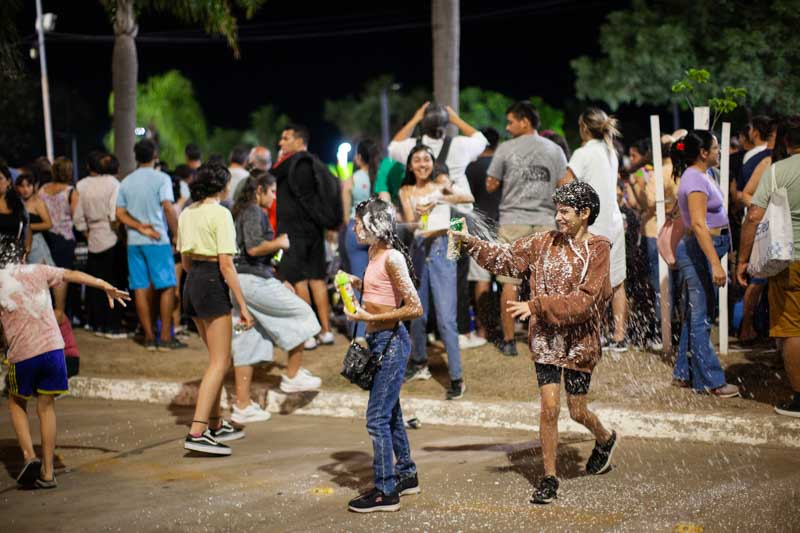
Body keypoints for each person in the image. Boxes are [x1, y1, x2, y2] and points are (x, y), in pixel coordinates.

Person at [451, 180, 618, 504]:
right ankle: (549, 477)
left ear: (585, 214)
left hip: (580, 341)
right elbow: (506, 258)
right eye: (557, 210)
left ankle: (605, 437)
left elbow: (586, 302)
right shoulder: (544, 242)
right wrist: (469, 242)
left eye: (565, 211)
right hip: (545, 340)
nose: (558, 217)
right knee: (550, 409)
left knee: (577, 410)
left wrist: (536, 306)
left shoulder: (599, 249)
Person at [1, 240, 129, 489]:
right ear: (24, 255)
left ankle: (29, 457)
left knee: (16, 402)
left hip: (24, 353)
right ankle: (48, 472)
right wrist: (105, 285)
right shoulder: (39, 270)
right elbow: (73, 275)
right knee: (46, 408)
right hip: (54, 350)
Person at [343, 197, 423, 513]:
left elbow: (415, 307)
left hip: (391, 343)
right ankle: (407, 474)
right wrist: (357, 284)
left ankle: (385, 490)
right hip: (381, 342)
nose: (354, 228)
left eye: (359, 222)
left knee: (376, 418)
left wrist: (369, 319)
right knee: (391, 414)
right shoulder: (374, 253)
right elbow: (381, 293)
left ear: (375, 224)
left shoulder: (392, 258)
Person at [230, 173, 322, 424]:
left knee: (246, 341)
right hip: (252, 281)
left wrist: (278, 277)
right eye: (272, 192)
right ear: (259, 190)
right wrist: (279, 242)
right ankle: (292, 376)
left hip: (242, 281)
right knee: (303, 313)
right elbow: (253, 248)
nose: (274, 198)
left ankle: (243, 405)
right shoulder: (252, 211)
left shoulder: (242, 211)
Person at [178, 162, 254, 455]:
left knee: (216, 358)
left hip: (192, 281)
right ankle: (197, 431)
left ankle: (215, 423)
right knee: (220, 361)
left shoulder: (187, 212)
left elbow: (184, 259)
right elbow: (226, 264)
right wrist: (243, 306)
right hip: (211, 281)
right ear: (222, 186)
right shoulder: (221, 213)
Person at [486, 101, 568, 356]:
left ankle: (509, 341)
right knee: (547, 282)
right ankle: (549, 337)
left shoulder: (505, 149)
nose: (508, 127)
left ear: (525, 121)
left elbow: (491, 184)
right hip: (545, 221)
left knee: (509, 281)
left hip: (513, 221)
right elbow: (565, 185)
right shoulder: (554, 149)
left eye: (511, 122)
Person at [399, 145, 474, 399]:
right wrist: (421, 218)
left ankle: (456, 378)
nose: (422, 164)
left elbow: (468, 199)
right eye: (417, 160)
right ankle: (419, 362)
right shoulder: (405, 190)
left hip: (443, 249)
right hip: (419, 250)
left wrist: (441, 198)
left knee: (446, 319)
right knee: (417, 313)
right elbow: (412, 227)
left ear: (432, 164)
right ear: (410, 165)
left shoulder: (441, 183)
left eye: (427, 159)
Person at [738, 115, 800, 416]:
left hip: (790, 261)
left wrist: (743, 259)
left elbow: (753, 216)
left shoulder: (777, 172)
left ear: (786, 141)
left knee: (792, 329)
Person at [670, 131, 740, 397]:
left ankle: (684, 373)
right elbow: (698, 224)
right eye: (716, 147)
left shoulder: (700, 175)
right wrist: (716, 264)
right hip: (700, 251)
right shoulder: (695, 179)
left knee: (697, 314)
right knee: (702, 316)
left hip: (704, 249)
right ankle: (711, 381)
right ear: (703, 153)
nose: (719, 151)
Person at [559, 108, 628, 351]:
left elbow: (565, 184)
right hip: (615, 222)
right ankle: (619, 337)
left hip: (594, 226)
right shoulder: (611, 152)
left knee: (586, 282)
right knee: (617, 281)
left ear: (585, 128)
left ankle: (590, 334)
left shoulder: (583, 152)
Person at [272, 124, 335, 349]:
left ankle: (308, 333)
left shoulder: (289, 164)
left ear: (299, 141)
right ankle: (326, 331)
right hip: (316, 230)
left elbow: (268, 180)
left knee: (298, 280)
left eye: (285, 138)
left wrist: (279, 160)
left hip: (293, 232)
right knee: (317, 279)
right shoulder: (316, 163)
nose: (281, 143)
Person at [116, 139, 180, 351]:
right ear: (155, 155)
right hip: (157, 239)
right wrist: (177, 233)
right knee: (167, 286)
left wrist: (138, 227)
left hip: (135, 242)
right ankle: (165, 337)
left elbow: (119, 214)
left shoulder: (126, 182)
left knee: (140, 287)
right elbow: (168, 208)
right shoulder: (162, 178)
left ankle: (149, 337)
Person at [389, 102, 487, 209]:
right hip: (459, 215)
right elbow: (482, 140)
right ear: (446, 123)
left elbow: (393, 147)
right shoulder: (460, 144)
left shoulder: (413, 148)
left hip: (426, 212)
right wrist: (455, 119)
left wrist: (415, 119)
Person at [74, 151, 125, 339]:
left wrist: (88, 234)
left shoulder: (82, 185)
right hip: (110, 236)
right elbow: (114, 214)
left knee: (95, 283)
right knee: (113, 282)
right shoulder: (114, 184)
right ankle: (112, 325)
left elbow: (78, 218)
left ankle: (95, 322)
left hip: (93, 237)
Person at [465, 127, 501, 343]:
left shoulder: (469, 168)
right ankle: (504, 326)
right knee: (507, 282)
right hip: (503, 225)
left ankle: (482, 329)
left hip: (477, 227)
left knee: (481, 280)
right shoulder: (502, 166)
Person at [342, 139, 381, 340]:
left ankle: (359, 333)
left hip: (356, 230)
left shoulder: (351, 180)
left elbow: (344, 212)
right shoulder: (379, 177)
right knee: (378, 281)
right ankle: (379, 325)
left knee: (357, 281)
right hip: (376, 231)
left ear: (358, 158)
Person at [38, 157, 79, 322]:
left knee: (48, 276)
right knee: (63, 277)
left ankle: (49, 313)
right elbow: (76, 217)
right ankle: (61, 313)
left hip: (46, 237)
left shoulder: (42, 190)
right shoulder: (70, 192)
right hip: (65, 239)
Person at [14, 173, 53, 266]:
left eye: (28, 185)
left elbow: (48, 224)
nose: (25, 189)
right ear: (17, 187)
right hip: (20, 243)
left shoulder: (37, 203)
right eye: (22, 186)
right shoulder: (15, 203)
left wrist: (28, 227)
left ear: (33, 186)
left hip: (36, 243)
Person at [0, 163, 30, 254]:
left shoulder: (18, 204)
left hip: (15, 259)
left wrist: (26, 250)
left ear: (8, 181)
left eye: (0, 179)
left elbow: (27, 228)